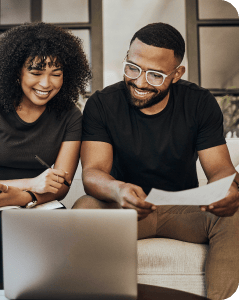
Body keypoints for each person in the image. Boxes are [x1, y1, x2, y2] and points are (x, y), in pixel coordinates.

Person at [73, 22, 239, 300]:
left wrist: (228, 189)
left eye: (155, 75)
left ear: (176, 74)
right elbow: (93, 172)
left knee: (234, 212)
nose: (139, 82)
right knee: (84, 208)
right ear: (126, 57)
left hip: (183, 209)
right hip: (124, 208)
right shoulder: (102, 104)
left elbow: (220, 168)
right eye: (133, 67)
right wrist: (118, 189)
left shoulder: (199, 103)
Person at [0, 22, 91, 286]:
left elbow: (60, 187)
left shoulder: (70, 116)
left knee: (64, 230)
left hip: (39, 204)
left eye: (56, 73)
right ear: (16, 72)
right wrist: (30, 184)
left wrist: (25, 197)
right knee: (5, 220)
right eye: (35, 72)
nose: (46, 83)